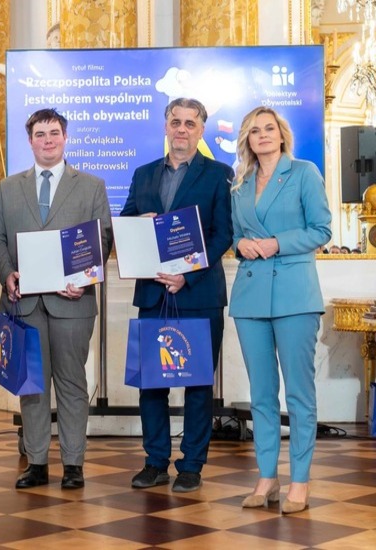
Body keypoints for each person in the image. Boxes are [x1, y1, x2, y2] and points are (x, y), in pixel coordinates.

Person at [0, 108, 112, 490]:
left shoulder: (91, 186)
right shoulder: (8, 188)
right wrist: (6, 273)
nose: (48, 140)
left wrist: (84, 278)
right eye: (40, 134)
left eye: (54, 133)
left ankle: (73, 465)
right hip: (23, 303)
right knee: (31, 386)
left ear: (65, 137)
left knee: (72, 384)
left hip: (72, 302)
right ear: (30, 141)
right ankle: (37, 463)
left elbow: (103, 238)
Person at [120, 97, 232, 493]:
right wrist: (138, 223)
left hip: (198, 294)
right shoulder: (143, 174)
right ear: (166, 126)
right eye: (175, 122)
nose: (181, 129)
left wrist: (188, 275)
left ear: (201, 130)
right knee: (152, 383)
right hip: (153, 293)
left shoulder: (219, 174)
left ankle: (191, 466)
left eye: (190, 123)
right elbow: (126, 224)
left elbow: (223, 234)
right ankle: (155, 462)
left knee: (198, 386)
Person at [229, 106, 331, 513]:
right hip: (250, 296)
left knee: (299, 394)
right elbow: (235, 235)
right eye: (255, 130)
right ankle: (267, 478)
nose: (263, 135)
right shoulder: (240, 184)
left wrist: (276, 243)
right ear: (247, 140)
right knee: (261, 394)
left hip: (294, 295)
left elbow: (322, 230)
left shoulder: (304, 173)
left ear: (282, 134)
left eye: (269, 128)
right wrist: (240, 244)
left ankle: (299, 481)